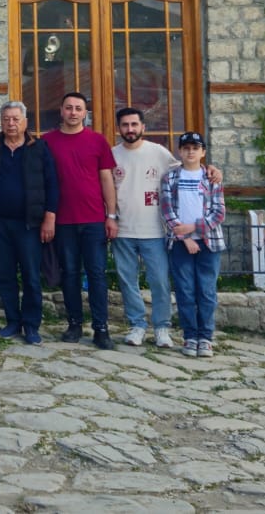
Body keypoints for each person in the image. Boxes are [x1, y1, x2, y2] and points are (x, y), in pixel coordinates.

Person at [112, 107, 223, 348]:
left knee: (160, 282)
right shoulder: (112, 155)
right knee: (128, 281)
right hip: (123, 230)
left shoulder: (158, 153)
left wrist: (212, 169)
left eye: (134, 124)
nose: (130, 129)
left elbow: (189, 166)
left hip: (154, 231)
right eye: (125, 125)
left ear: (143, 127)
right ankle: (137, 325)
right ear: (118, 128)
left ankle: (162, 327)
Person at [41, 92, 118, 350]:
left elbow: (106, 179)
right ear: (61, 111)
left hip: (94, 219)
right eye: (69, 108)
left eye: (78, 108)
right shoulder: (47, 142)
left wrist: (111, 215)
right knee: (70, 274)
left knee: (97, 274)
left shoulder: (97, 141)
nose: (73, 112)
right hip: (63, 220)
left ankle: (101, 328)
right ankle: (74, 323)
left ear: (85, 113)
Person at [0, 100, 58, 345]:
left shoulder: (39, 147)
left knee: (31, 275)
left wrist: (50, 216)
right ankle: (13, 321)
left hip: (29, 224)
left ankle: (31, 325)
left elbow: (52, 183)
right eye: (6, 119)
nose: (11, 124)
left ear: (25, 122)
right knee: (4, 274)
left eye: (15, 119)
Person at [160, 131, 226, 358]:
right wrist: (185, 238)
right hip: (181, 244)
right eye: (186, 148)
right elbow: (167, 211)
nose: (190, 152)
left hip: (209, 243)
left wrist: (194, 228)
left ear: (203, 152)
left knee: (206, 291)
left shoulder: (211, 178)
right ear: (180, 151)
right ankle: (190, 336)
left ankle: (205, 337)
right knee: (185, 291)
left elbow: (219, 212)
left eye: (195, 148)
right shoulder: (170, 178)